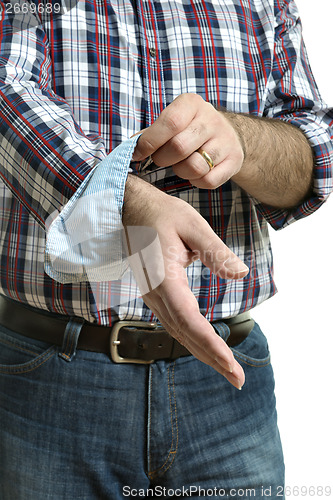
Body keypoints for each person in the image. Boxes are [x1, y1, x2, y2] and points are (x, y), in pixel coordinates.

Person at [0, 0, 332, 498]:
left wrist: (239, 137)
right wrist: (123, 200)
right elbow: (6, 91)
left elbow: (313, 153)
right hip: (51, 378)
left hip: (231, 386)